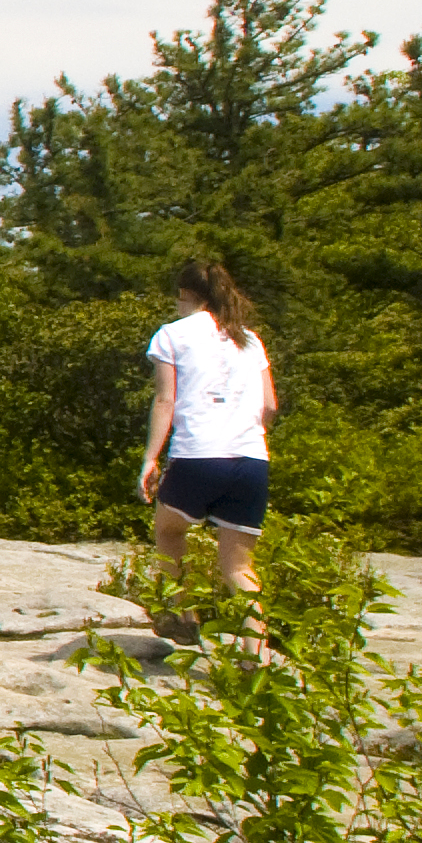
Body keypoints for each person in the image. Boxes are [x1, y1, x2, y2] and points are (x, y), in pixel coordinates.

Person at [140, 255, 281, 605]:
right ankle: (256, 653)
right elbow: (270, 407)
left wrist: (150, 459)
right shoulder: (249, 339)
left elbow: (164, 401)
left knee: (169, 532)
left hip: (198, 455)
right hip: (251, 459)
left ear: (186, 293)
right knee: (239, 568)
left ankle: (182, 613)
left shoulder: (171, 335)